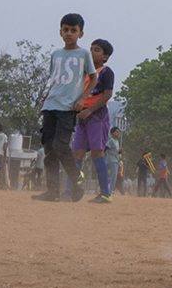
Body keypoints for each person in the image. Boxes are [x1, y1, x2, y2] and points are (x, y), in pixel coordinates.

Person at [34, 14, 94, 202]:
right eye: (65, 30)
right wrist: (45, 102)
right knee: (49, 149)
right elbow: (54, 81)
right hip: (51, 105)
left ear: (80, 34)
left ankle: (76, 177)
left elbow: (93, 79)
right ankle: (52, 192)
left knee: (61, 145)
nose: (69, 33)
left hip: (68, 107)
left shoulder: (84, 54)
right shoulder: (55, 55)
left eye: (73, 30)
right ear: (60, 32)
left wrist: (82, 98)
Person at [73, 39, 116, 203]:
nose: (91, 52)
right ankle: (71, 190)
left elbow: (108, 94)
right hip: (82, 116)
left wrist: (90, 110)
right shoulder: (84, 72)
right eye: (91, 49)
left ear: (105, 56)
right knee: (77, 152)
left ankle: (105, 193)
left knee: (97, 153)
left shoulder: (105, 71)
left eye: (96, 50)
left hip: (97, 115)